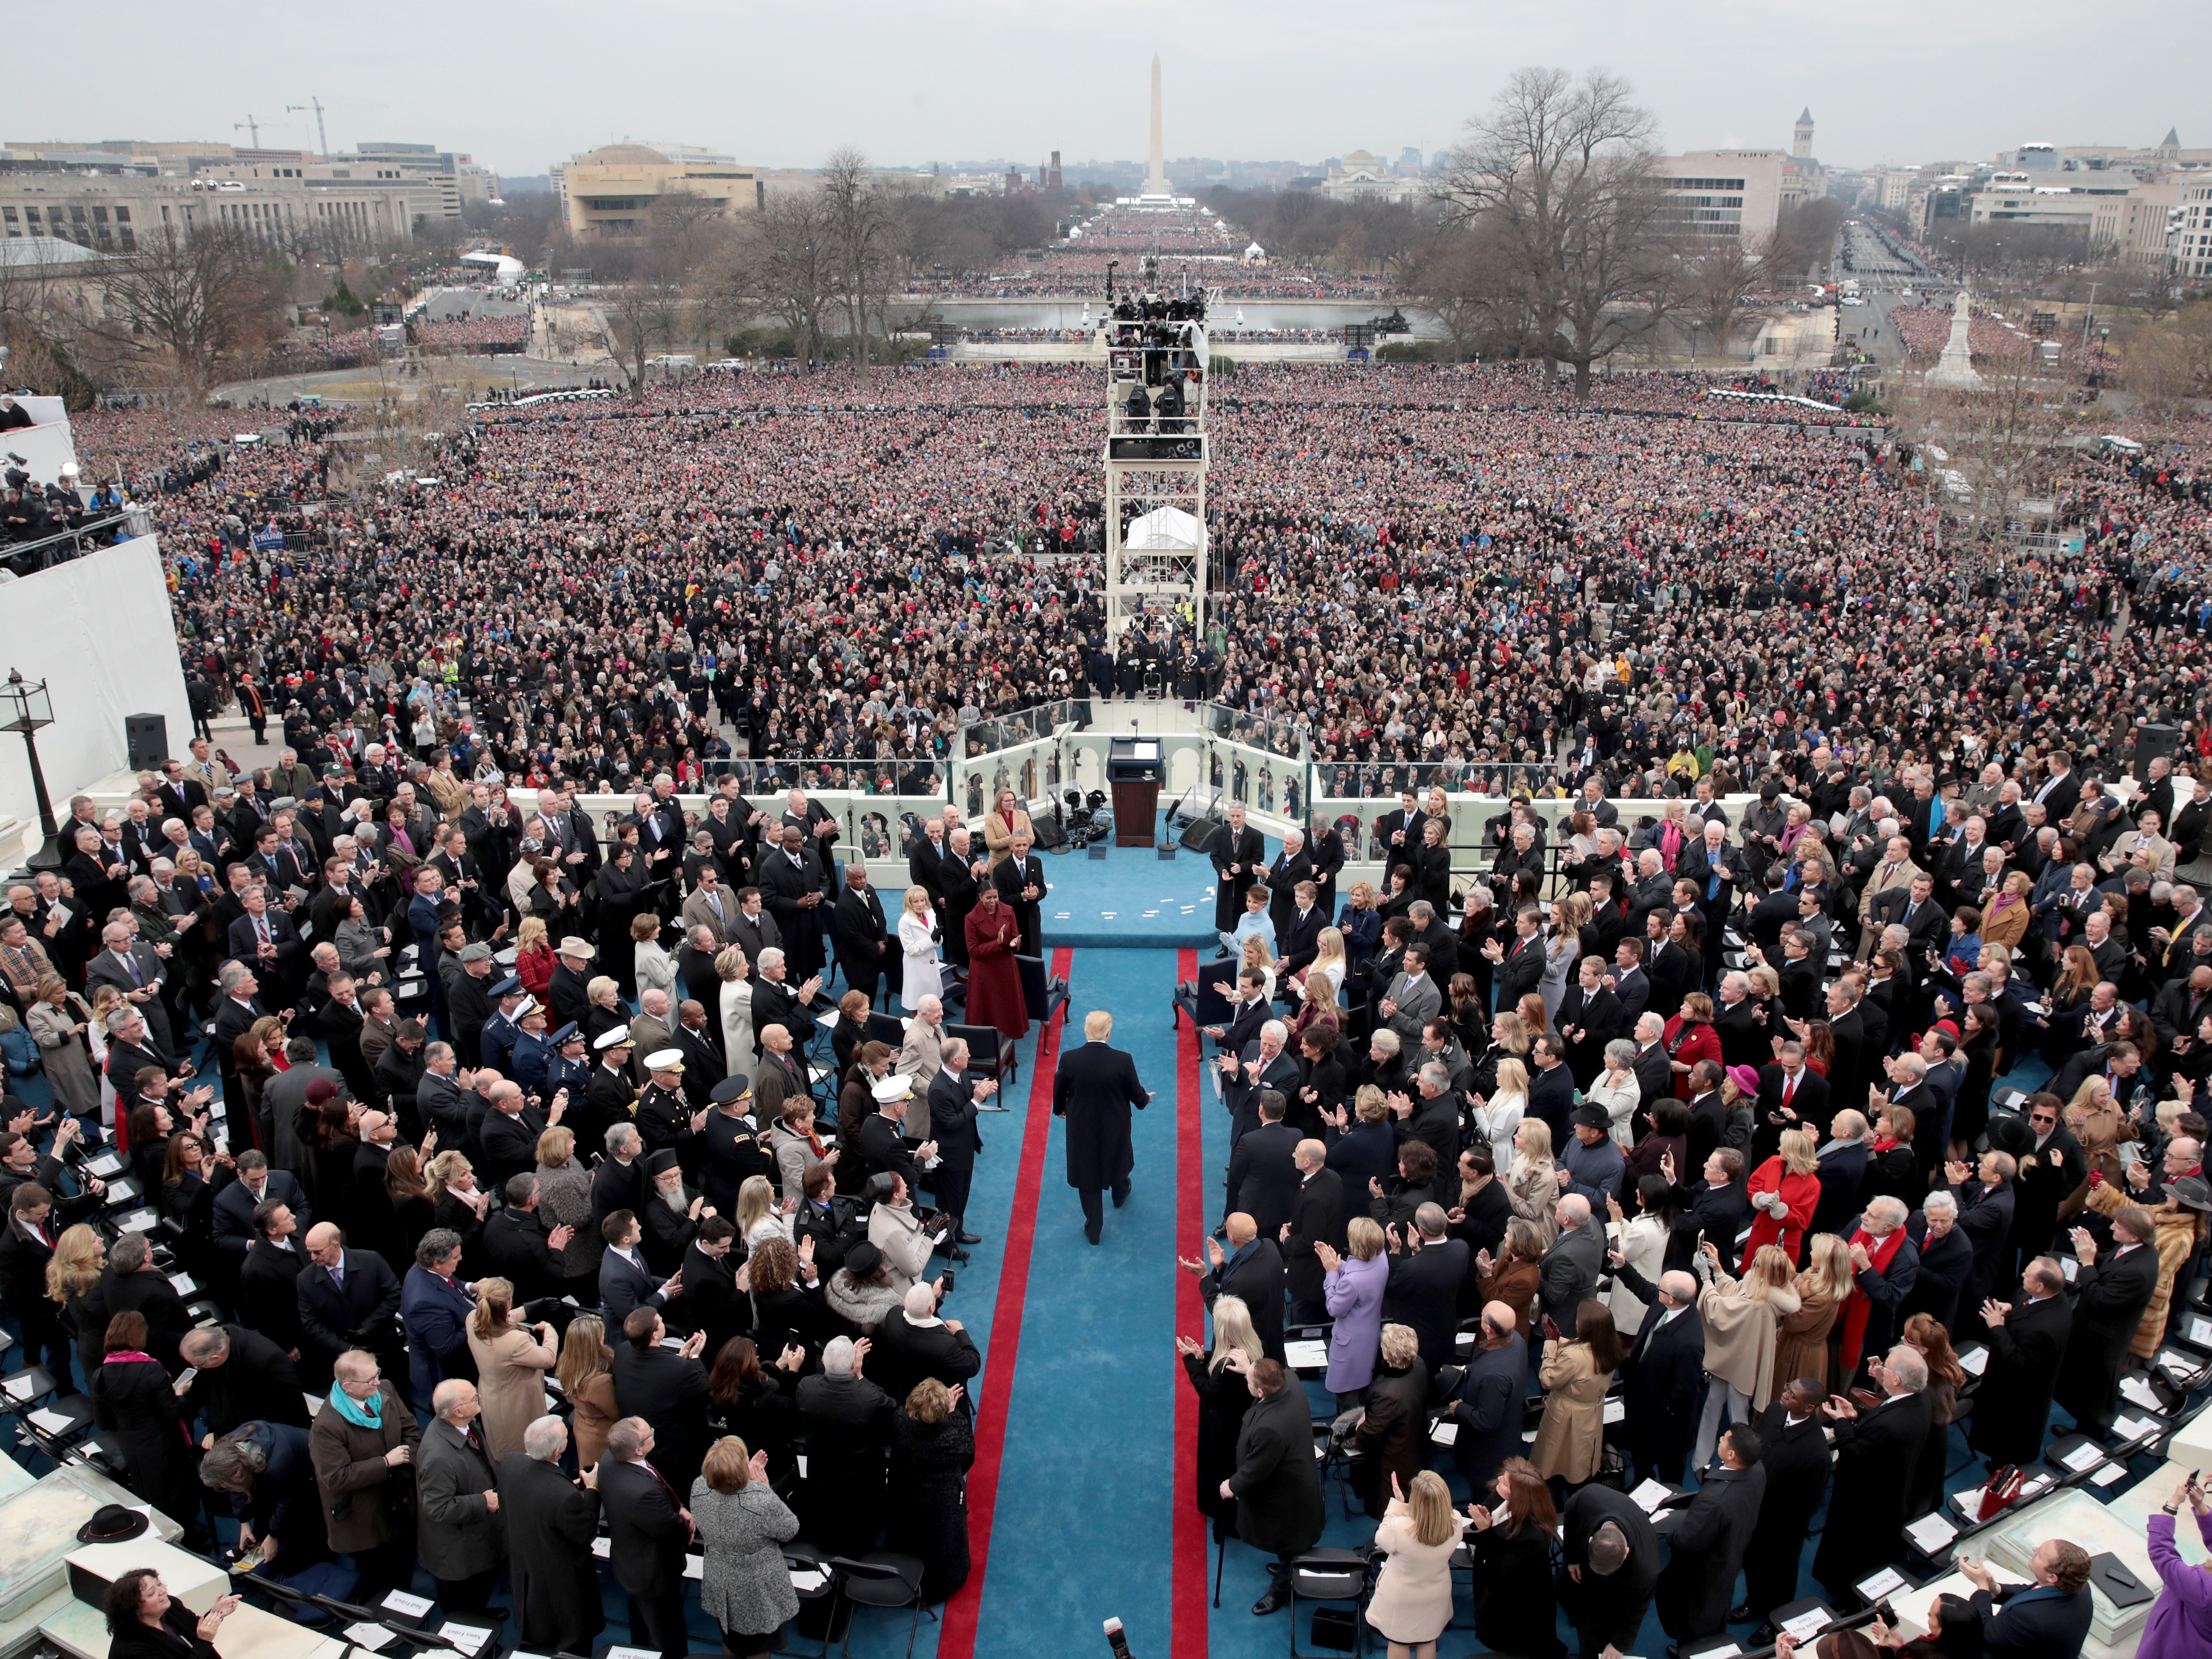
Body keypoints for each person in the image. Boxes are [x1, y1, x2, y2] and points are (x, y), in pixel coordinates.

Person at [1812, 1345, 1935, 1599]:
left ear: (1898, 1380)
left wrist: (1843, 1422)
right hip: (1892, 1495)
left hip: (1866, 1506)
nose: (1880, 1370)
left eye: (1885, 1368)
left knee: (1850, 1563)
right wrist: (1858, 1416)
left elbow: (1854, 1455)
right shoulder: (1921, 1400)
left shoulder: (1889, 1426)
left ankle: (1844, 1596)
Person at [307, 1348, 423, 1599]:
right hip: (364, 1515)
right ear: (348, 1386)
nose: (377, 1382)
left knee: (403, 1562)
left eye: (377, 1374)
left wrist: (406, 1464)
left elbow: (411, 1430)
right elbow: (336, 1477)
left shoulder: (385, 1391)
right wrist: (385, 1463)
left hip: (398, 1499)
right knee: (377, 1576)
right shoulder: (327, 1426)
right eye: (370, 1380)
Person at [88, 1311, 206, 1546]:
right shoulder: (151, 1370)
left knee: (153, 1498)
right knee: (180, 1498)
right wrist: (180, 1395)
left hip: (133, 1446)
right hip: (165, 1445)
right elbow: (173, 1412)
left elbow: (104, 1422)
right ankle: (191, 1541)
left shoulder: (99, 1375)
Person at [1223, 1357, 1325, 1617]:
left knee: (1288, 1540)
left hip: (1287, 1497)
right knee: (1288, 1542)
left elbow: (1255, 1470)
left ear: (1260, 1392)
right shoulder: (1290, 1380)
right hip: (1298, 1479)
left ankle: (1282, 1587)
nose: (1245, 1379)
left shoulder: (1270, 1429)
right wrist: (1254, 1370)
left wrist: (1231, 1486)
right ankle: (1285, 1564)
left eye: (1249, 1379)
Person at [1656, 1422, 1767, 1646]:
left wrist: (1671, 1537)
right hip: (1731, 1556)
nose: (1721, 1440)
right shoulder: (1758, 1470)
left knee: (1695, 1622)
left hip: (1702, 1574)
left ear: (1733, 1454)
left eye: (1725, 1439)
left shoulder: (1715, 1501)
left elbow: (1687, 1541)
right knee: (1716, 1609)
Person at [1738, 1378, 1834, 1640]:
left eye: (1792, 1395)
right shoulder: (1774, 1411)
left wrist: (1771, 1513)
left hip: (1783, 1529)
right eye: (1788, 1388)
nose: (1785, 1395)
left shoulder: (1816, 1453)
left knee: (1779, 1576)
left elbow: (1809, 1504)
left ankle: (1776, 1622)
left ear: (1809, 1407)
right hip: (1755, 1512)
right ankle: (1754, 1602)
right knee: (1753, 1563)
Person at [2054, 1206, 2161, 1435]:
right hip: (2097, 1330)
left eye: (2119, 1227)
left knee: (2095, 1396)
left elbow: (2100, 1298)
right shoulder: (2137, 1249)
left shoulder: (2139, 1271)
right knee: (2086, 1388)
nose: (2112, 1227)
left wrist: (2087, 1263)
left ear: (2134, 1236)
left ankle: (2090, 1436)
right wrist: (2092, 1252)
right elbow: (2113, 1265)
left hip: (2105, 1338)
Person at [692, 1434, 800, 1659]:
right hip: (756, 1590)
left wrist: (740, 1478)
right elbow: (790, 1529)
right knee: (758, 1648)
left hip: (720, 1579)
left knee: (731, 1642)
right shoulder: (759, 1500)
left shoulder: (699, 1487)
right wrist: (763, 1488)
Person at [599, 1416, 694, 1659]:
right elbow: (669, 1529)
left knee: (641, 1625)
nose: (654, 1430)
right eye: (649, 1432)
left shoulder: (610, 1458)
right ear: (638, 1449)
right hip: (653, 1575)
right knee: (667, 1636)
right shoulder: (644, 1493)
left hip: (629, 1563)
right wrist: (685, 1524)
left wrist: (676, 1507)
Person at [1967, 1256, 2072, 1469]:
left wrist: (1997, 1327)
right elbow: (2028, 1310)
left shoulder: (2046, 1329)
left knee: (2005, 1446)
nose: (2022, 1275)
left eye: (2028, 1275)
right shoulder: (2051, 1297)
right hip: (2010, 1388)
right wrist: (2012, 1310)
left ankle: (2001, 1474)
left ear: (2041, 1286)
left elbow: (2018, 1364)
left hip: (2017, 1400)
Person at [1177, 1296, 1263, 1546]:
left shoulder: (1227, 1366)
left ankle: (1225, 1523)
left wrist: (1191, 1361)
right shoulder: (1251, 1347)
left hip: (1223, 1427)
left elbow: (1208, 1391)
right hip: (1239, 1420)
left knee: (1220, 1471)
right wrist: (1203, 1356)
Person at [415, 1379, 505, 1613]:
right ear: (458, 1411)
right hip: (456, 1550)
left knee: (478, 1594)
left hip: (475, 1537)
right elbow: (437, 1508)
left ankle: (479, 1615)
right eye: (474, 1397)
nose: (480, 1398)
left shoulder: (464, 1425)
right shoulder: (439, 1457)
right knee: (461, 1606)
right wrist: (483, 1502)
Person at [1365, 1469, 1474, 1659]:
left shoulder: (1400, 1528)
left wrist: (1398, 1506)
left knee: (1399, 1641)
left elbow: (1380, 1538)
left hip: (1402, 1599)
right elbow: (1430, 1516)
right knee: (1428, 1639)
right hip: (1436, 1595)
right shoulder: (1456, 1521)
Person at [888, 1376, 976, 1602]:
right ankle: (939, 1588)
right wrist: (954, 1414)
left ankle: (906, 1579)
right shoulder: (949, 1439)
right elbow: (968, 1449)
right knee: (942, 1542)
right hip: (940, 1503)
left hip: (905, 1494)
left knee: (908, 1536)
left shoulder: (899, 1421)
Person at [1466, 1458, 1565, 1659]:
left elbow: (1501, 1570)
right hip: (1497, 1597)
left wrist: (1486, 1531)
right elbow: (1484, 1517)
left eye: (1504, 1482)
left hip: (1518, 1612)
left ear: (1518, 1497)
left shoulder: (1534, 1537)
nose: (1499, 1480)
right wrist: (1486, 1518)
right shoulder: (1505, 1499)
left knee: (1513, 1651)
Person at [1559, 1483, 1662, 1659]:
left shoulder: (1646, 1570)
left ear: (1627, 1552)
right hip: (1582, 1568)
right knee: (1569, 1597)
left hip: (1618, 1591)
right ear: (1591, 1541)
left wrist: (1619, 1645)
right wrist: (1572, 1557)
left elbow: (1636, 1609)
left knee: (1597, 1632)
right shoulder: (1590, 1497)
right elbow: (1570, 1511)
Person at [464, 1276, 558, 1462]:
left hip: (492, 1402)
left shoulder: (473, 1320)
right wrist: (549, 1330)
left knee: (504, 1453)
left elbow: (498, 1319)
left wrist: (526, 1310)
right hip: (517, 1408)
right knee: (528, 1455)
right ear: (507, 1305)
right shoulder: (515, 1342)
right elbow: (548, 1359)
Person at [1532, 1298, 1621, 1487]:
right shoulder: (1611, 1347)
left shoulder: (1574, 1357)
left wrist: (1550, 1345)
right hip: (1592, 1412)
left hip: (1566, 1414)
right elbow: (1582, 1348)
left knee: (1552, 1458)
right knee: (1581, 1459)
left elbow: (1548, 1379)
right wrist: (1559, 1340)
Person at [1958, 1538, 2095, 1657]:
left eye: (2040, 1555)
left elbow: (1983, 1630)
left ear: (2052, 1577)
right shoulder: (2079, 1587)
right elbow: (2034, 1593)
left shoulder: (2031, 1619)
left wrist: (1982, 1587)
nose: (2035, 1549)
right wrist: (1996, 1588)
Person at [1316, 1218, 1388, 1400]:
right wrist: (1340, 1266)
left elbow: (1334, 1308)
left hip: (1349, 1344)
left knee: (1347, 1397)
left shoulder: (1352, 1282)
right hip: (1369, 1335)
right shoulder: (1381, 1258)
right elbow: (1364, 1271)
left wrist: (1332, 1273)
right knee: (1364, 1386)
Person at [2142, 1471, 2212, 1659]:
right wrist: (2200, 1506)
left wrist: (2172, 1505)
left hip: (2173, 1645)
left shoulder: (2204, 1589)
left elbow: (2162, 1554)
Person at [102, 1568, 241, 1659]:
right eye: (152, 1593)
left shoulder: (170, 1606)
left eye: (159, 1584)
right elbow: (201, 1640)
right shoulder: (132, 1651)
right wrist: (204, 1642)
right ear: (134, 1608)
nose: (162, 1591)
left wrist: (216, 1614)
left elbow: (195, 1627)